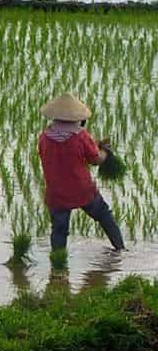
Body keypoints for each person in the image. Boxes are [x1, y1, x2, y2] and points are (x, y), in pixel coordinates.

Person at [37, 93, 125, 251]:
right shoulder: (81, 136)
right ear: (77, 118)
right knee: (104, 216)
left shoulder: (44, 137)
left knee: (59, 231)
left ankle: (58, 267)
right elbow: (96, 159)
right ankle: (120, 249)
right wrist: (105, 151)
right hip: (81, 190)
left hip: (56, 192)